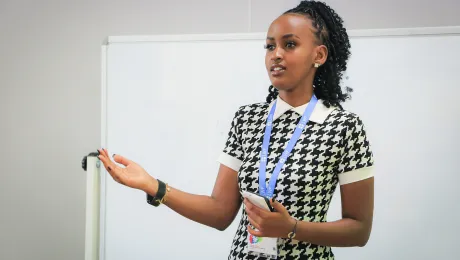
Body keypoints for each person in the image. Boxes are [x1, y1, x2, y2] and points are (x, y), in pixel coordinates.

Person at [97, 1, 374, 259]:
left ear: (319, 54)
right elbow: (220, 212)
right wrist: (152, 185)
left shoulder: (343, 127)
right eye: (269, 46)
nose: (276, 54)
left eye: (289, 44)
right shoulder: (248, 120)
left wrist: (292, 228)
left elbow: (359, 230)